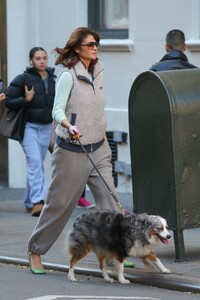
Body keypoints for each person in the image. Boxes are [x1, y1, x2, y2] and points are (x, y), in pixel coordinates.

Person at [27, 27, 127, 274]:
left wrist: (103, 140)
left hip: (99, 149)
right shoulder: (67, 76)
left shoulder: (99, 72)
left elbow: (97, 111)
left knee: (110, 202)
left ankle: (117, 254)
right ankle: (36, 251)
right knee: (59, 204)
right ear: (77, 48)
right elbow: (57, 109)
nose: (95, 47)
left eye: (97, 44)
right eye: (91, 44)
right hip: (72, 150)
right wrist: (67, 124)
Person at [6, 47, 56, 217]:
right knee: (35, 162)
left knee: (36, 165)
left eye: (44, 58)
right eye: (37, 58)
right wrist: (26, 99)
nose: (41, 61)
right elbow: (9, 101)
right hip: (28, 127)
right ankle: (38, 201)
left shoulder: (53, 79)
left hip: (46, 128)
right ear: (31, 61)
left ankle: (29, 201)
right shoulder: (23, 79)